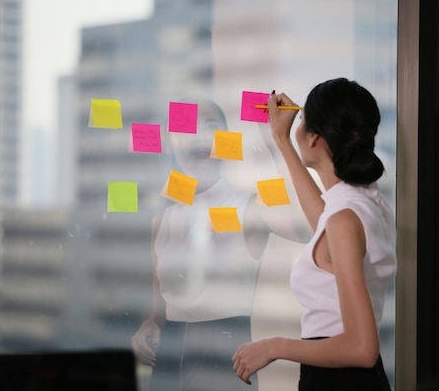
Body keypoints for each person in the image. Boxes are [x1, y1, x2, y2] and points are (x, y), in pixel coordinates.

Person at [131, 97, 308, 391]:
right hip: (169, 362)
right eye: (186, 128)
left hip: (227, 360)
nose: (199, 136)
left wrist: (278, 142)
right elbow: (159, 310)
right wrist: (148, 326)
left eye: (211, 126)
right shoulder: (162, 217)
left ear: (225, 140)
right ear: (172, 143)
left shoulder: (248, 205)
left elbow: (300, 225)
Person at [232, 78, 397, 391]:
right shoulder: (362, 201)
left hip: (340, 380)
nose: (298, 124)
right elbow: (323, 219)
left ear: (315, 139)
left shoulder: (345, 219)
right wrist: (282, 140)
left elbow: (362, 349)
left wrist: (273, 347)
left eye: (302, 119)